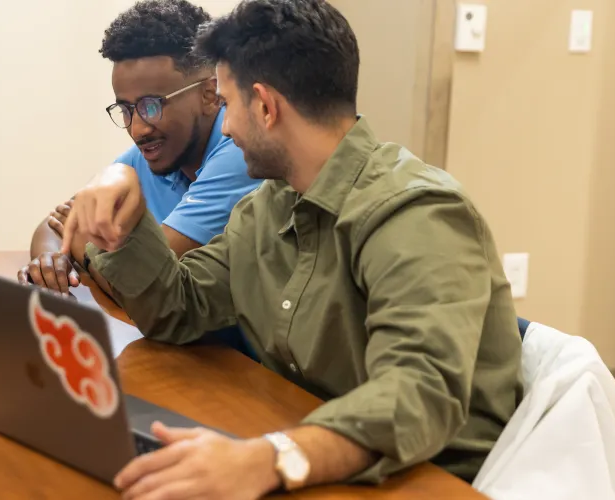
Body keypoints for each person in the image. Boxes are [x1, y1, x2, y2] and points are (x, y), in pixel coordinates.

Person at [62, 0, 523, 498]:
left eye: (226, 101)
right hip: (311, 448)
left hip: (421, 475)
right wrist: (126, 204)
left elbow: (417, 396)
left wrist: (266, 458)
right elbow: (181, 309)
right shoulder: (271, 206)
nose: (227, 125)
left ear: (264, 106)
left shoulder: (418, 214)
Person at [19, 0, 262, 300]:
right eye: (125, 109)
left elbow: (147, 286)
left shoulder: (241, 151)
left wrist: (80, 249)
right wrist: (50, 263)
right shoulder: (157, 152)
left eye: (152, 105)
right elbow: (55, 226)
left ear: (209, 95)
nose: (137, 130)